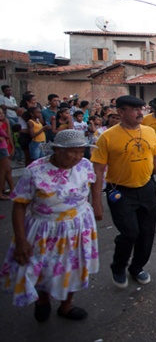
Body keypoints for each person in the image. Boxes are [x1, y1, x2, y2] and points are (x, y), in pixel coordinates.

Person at [0, 129, 100, 321]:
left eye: (81, 151)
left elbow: (95, 181)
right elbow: (19, 206)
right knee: (43, 269)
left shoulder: (85, 165)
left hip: (78, 227)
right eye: (73, 151)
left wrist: (96, 204)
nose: (78, 156)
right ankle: (43, 300)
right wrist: (21, 240)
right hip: (44, 229)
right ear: (57, 150)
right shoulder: (35, 170)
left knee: (74, 268)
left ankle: (66, 306)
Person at [91, 95, 156, 289]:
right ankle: (118, 266)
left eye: (141, 109)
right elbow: (98, 170)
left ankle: (137, 267)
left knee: (147, 232)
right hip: (120, 192)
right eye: (134, 110)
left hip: (147, 188)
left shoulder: (149, 132)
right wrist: (96, 202)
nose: (140, 113)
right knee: (130, 232)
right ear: (121, 112)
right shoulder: (107, 137)